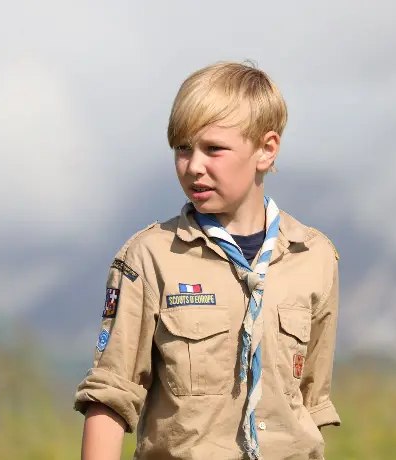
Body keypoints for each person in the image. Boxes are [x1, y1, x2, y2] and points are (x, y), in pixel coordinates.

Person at [74, 61, 341, 460]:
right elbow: (110, 396)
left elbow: (309, 403)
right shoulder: (150, 256)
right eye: (182, 148)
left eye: (213, 148)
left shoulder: (315, 256)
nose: (193, 165)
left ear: (266, 150)